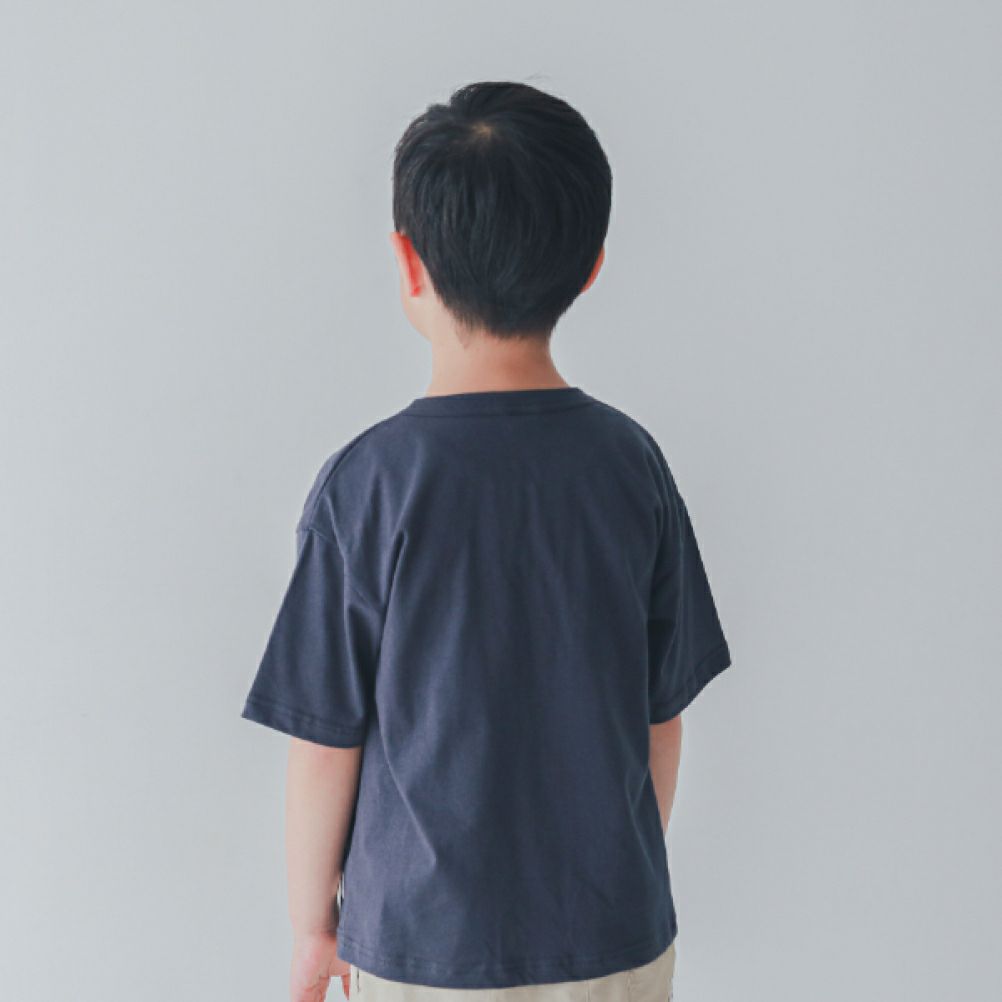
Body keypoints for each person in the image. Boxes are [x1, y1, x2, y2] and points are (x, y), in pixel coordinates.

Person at [240, 80, 732, 1002]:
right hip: (613, 943)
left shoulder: (369, 483)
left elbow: (324, 746)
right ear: (590, 267)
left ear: (407, 261)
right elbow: (661, 720)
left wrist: (313, 929)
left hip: (418, 953)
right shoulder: (631, 466)